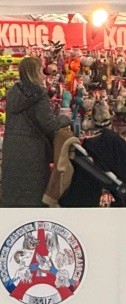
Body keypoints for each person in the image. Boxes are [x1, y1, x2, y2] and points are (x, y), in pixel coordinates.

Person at [1, 56, 70, 208]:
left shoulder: (12, 93)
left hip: (12, 150)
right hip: (33, 151)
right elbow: (49, 124)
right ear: (34, 72)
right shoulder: (39, 94)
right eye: (40, 70)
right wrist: (64, 119)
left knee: (13, 192)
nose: (43, 74)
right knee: (34, 194)